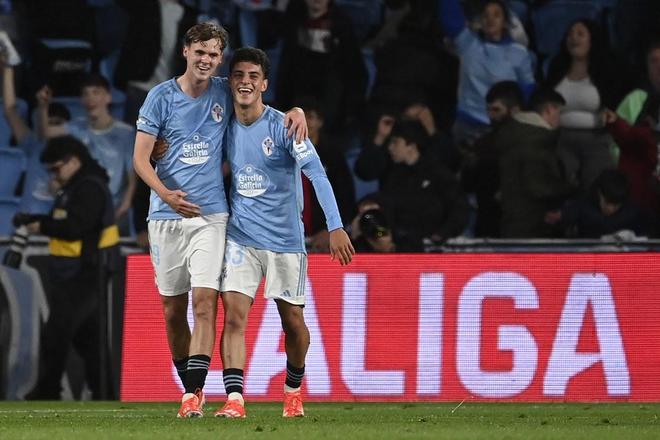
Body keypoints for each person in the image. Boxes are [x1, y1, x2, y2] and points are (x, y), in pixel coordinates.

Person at [133, 23, 307, 418]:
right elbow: (140, 159)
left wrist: (295, 111)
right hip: (165, 214)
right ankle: (190, 384)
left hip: (211, 214)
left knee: (205, 302)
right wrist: (165, 194)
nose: (206, 60)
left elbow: (258, 99)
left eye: (213, 54)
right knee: (172, 311)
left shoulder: (224, 90)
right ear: (185, 52)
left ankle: (192, 394)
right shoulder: (160, 98)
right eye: (200, 52)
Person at [215, 47, 354, 419]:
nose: (245, 82)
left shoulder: (286, 126)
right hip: (240, 238)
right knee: (233, 316)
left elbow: (317, 174)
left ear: (264, 84)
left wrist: (336, 226)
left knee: (292, 322)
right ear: (230, 82)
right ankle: (234, 399)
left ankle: (293, 390)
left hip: (285, 241)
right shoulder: (222, 124)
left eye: (253, 76)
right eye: (239, 75)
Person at [20, 135, 119, 400]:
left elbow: (76, 227)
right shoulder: (76, 188)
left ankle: (48, 390)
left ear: (73, 161)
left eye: (56, 169)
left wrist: (42, 225)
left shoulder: (89, 188)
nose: (54, 176)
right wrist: (37, 219)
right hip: (76, 272)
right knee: (89, 341)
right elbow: (67, 220)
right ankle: (105, 393)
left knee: (56, 332)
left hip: (86, 272)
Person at [39, 74, 137, 234]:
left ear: (108, 97)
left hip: (113, 210)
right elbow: (45, 133)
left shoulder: (126, 134)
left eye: (96, 92)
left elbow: (132, 178)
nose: (90, 98)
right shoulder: (77, 127)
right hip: (82, 207)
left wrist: (122, 209)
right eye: (85, 94)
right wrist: (43, 107)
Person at [355, 118, 469, 250]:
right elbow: (370, 180)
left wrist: (441, 235)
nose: (390, 147)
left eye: (395, 142)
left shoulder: (438, 174)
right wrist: (368, 205)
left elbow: (459, 209)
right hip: (398, 248)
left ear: (411, 145)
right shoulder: (393, 175)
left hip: (432, 249)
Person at [437, 0, 535, 147]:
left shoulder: (519, 53)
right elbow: (450, 18)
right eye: (485, 15)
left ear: (505, 22)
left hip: (501, 128)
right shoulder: (468, 43)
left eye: (496, 15)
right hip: (466, 125)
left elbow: (527, 91)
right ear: (480, 21)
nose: (490, 19)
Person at [545, 19, 621, 194]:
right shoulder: (557, 66)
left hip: (596, 140)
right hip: (561, 138)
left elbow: (615, 104)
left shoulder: (606, 69)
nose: (574, 38)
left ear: (592, 40)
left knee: (595, 190)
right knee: (562, 189)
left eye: (580, 34)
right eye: (570, 34)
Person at [496, 88, 575, 238]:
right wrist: (570, 188)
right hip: (532, 224)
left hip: (511, 219)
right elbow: (539, 186)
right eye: (560, 113)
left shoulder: (513, 133)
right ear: (550, 109)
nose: (560, 120)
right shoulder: (538, 141)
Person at [1, 49, 69, 215]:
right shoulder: (33, 144)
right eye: (49, 122)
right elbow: (10, 110)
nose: (51, 127)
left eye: (57, 124)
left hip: (57, 224)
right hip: (26, 223)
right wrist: (8, 69)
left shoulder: (75, 157)